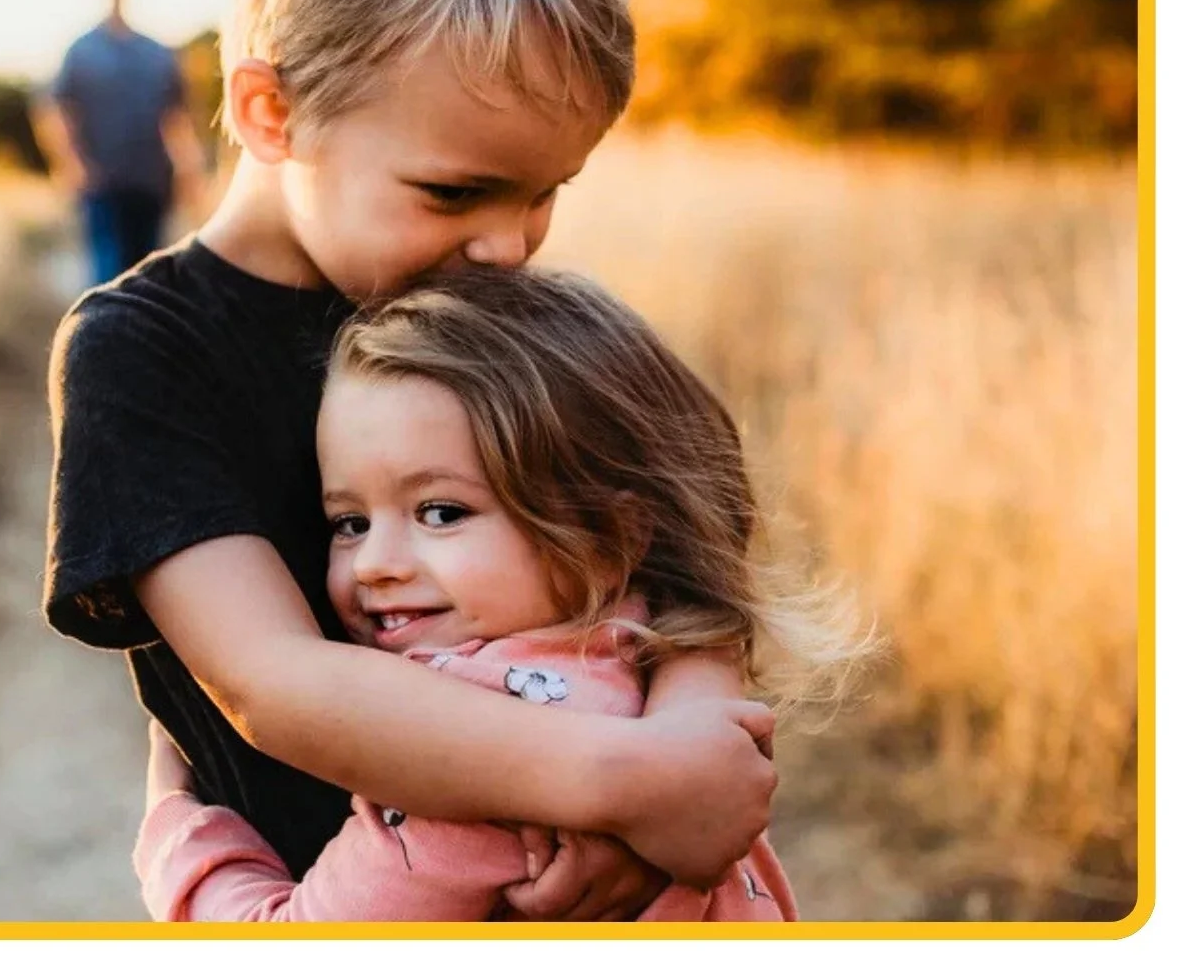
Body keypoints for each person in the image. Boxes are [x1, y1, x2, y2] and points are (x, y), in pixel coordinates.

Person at [44, 0, 777, 922]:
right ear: (271, 112)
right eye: (455, 192)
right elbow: (277, 682)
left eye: (545, 192)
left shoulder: (489, 308)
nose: (509, 246)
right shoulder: (145, 352)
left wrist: (683, 742)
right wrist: (626, 784)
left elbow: (691, 546)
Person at [132, 267, 872, 922]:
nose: (375, 565)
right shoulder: (654, 664)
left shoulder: (467, 771)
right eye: (350, 523)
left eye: (441, 512)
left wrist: (176, 824)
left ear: (611, 534)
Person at [32, 0, 205, 285]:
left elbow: (177, 118)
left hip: (151, 182)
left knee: (146, 277)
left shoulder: (156, 53)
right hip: (102, 186)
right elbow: (55, 110)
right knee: (108, 276)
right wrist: (70, 163)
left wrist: (189, 171)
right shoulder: (82, 51)